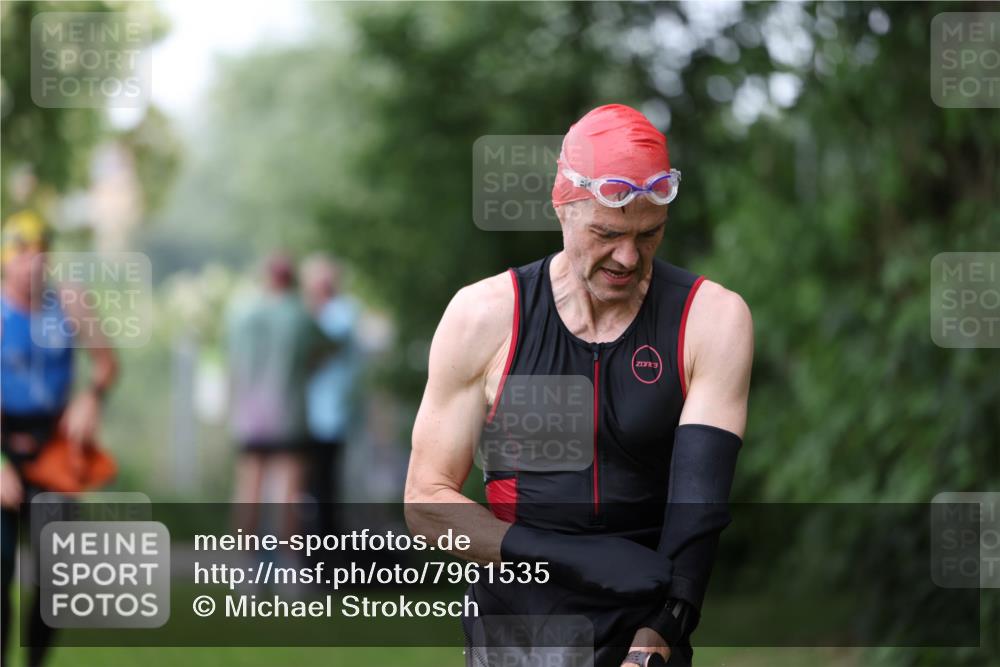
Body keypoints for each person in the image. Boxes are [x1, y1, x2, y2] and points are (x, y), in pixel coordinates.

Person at [405, 105, 753, 667]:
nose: (628, 257)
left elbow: (700, 504)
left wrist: (668, 623)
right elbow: (425, 504)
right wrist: (564, 556)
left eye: (649, 234)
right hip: (515, 625)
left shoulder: (711, 318)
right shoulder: (485, 315)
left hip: (643, 619)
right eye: (607, 233)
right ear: (561, 206)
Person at [1, 211, 119, 667]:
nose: (33, 264)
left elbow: (107, 365)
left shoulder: (70, 302)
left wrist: (91, 396)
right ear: (6, 260)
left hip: (55, 447)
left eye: (41, 253)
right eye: (23, 253)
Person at [225, 252, 320, 540]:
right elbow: (321, 353)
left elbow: (231, 359)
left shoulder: (241, 311)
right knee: (288, 491)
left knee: (248, 490)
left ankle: (244, 565)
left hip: (249, 416)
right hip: (288, 414)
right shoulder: (300, 314)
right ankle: (288, 561)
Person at [299, 254, 361, 544]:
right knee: (308, 486)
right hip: (306, 415)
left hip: (330, 414)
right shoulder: (313, 314)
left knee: (325, 485)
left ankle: (326, 549)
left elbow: (320, 349)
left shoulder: (341, 312)